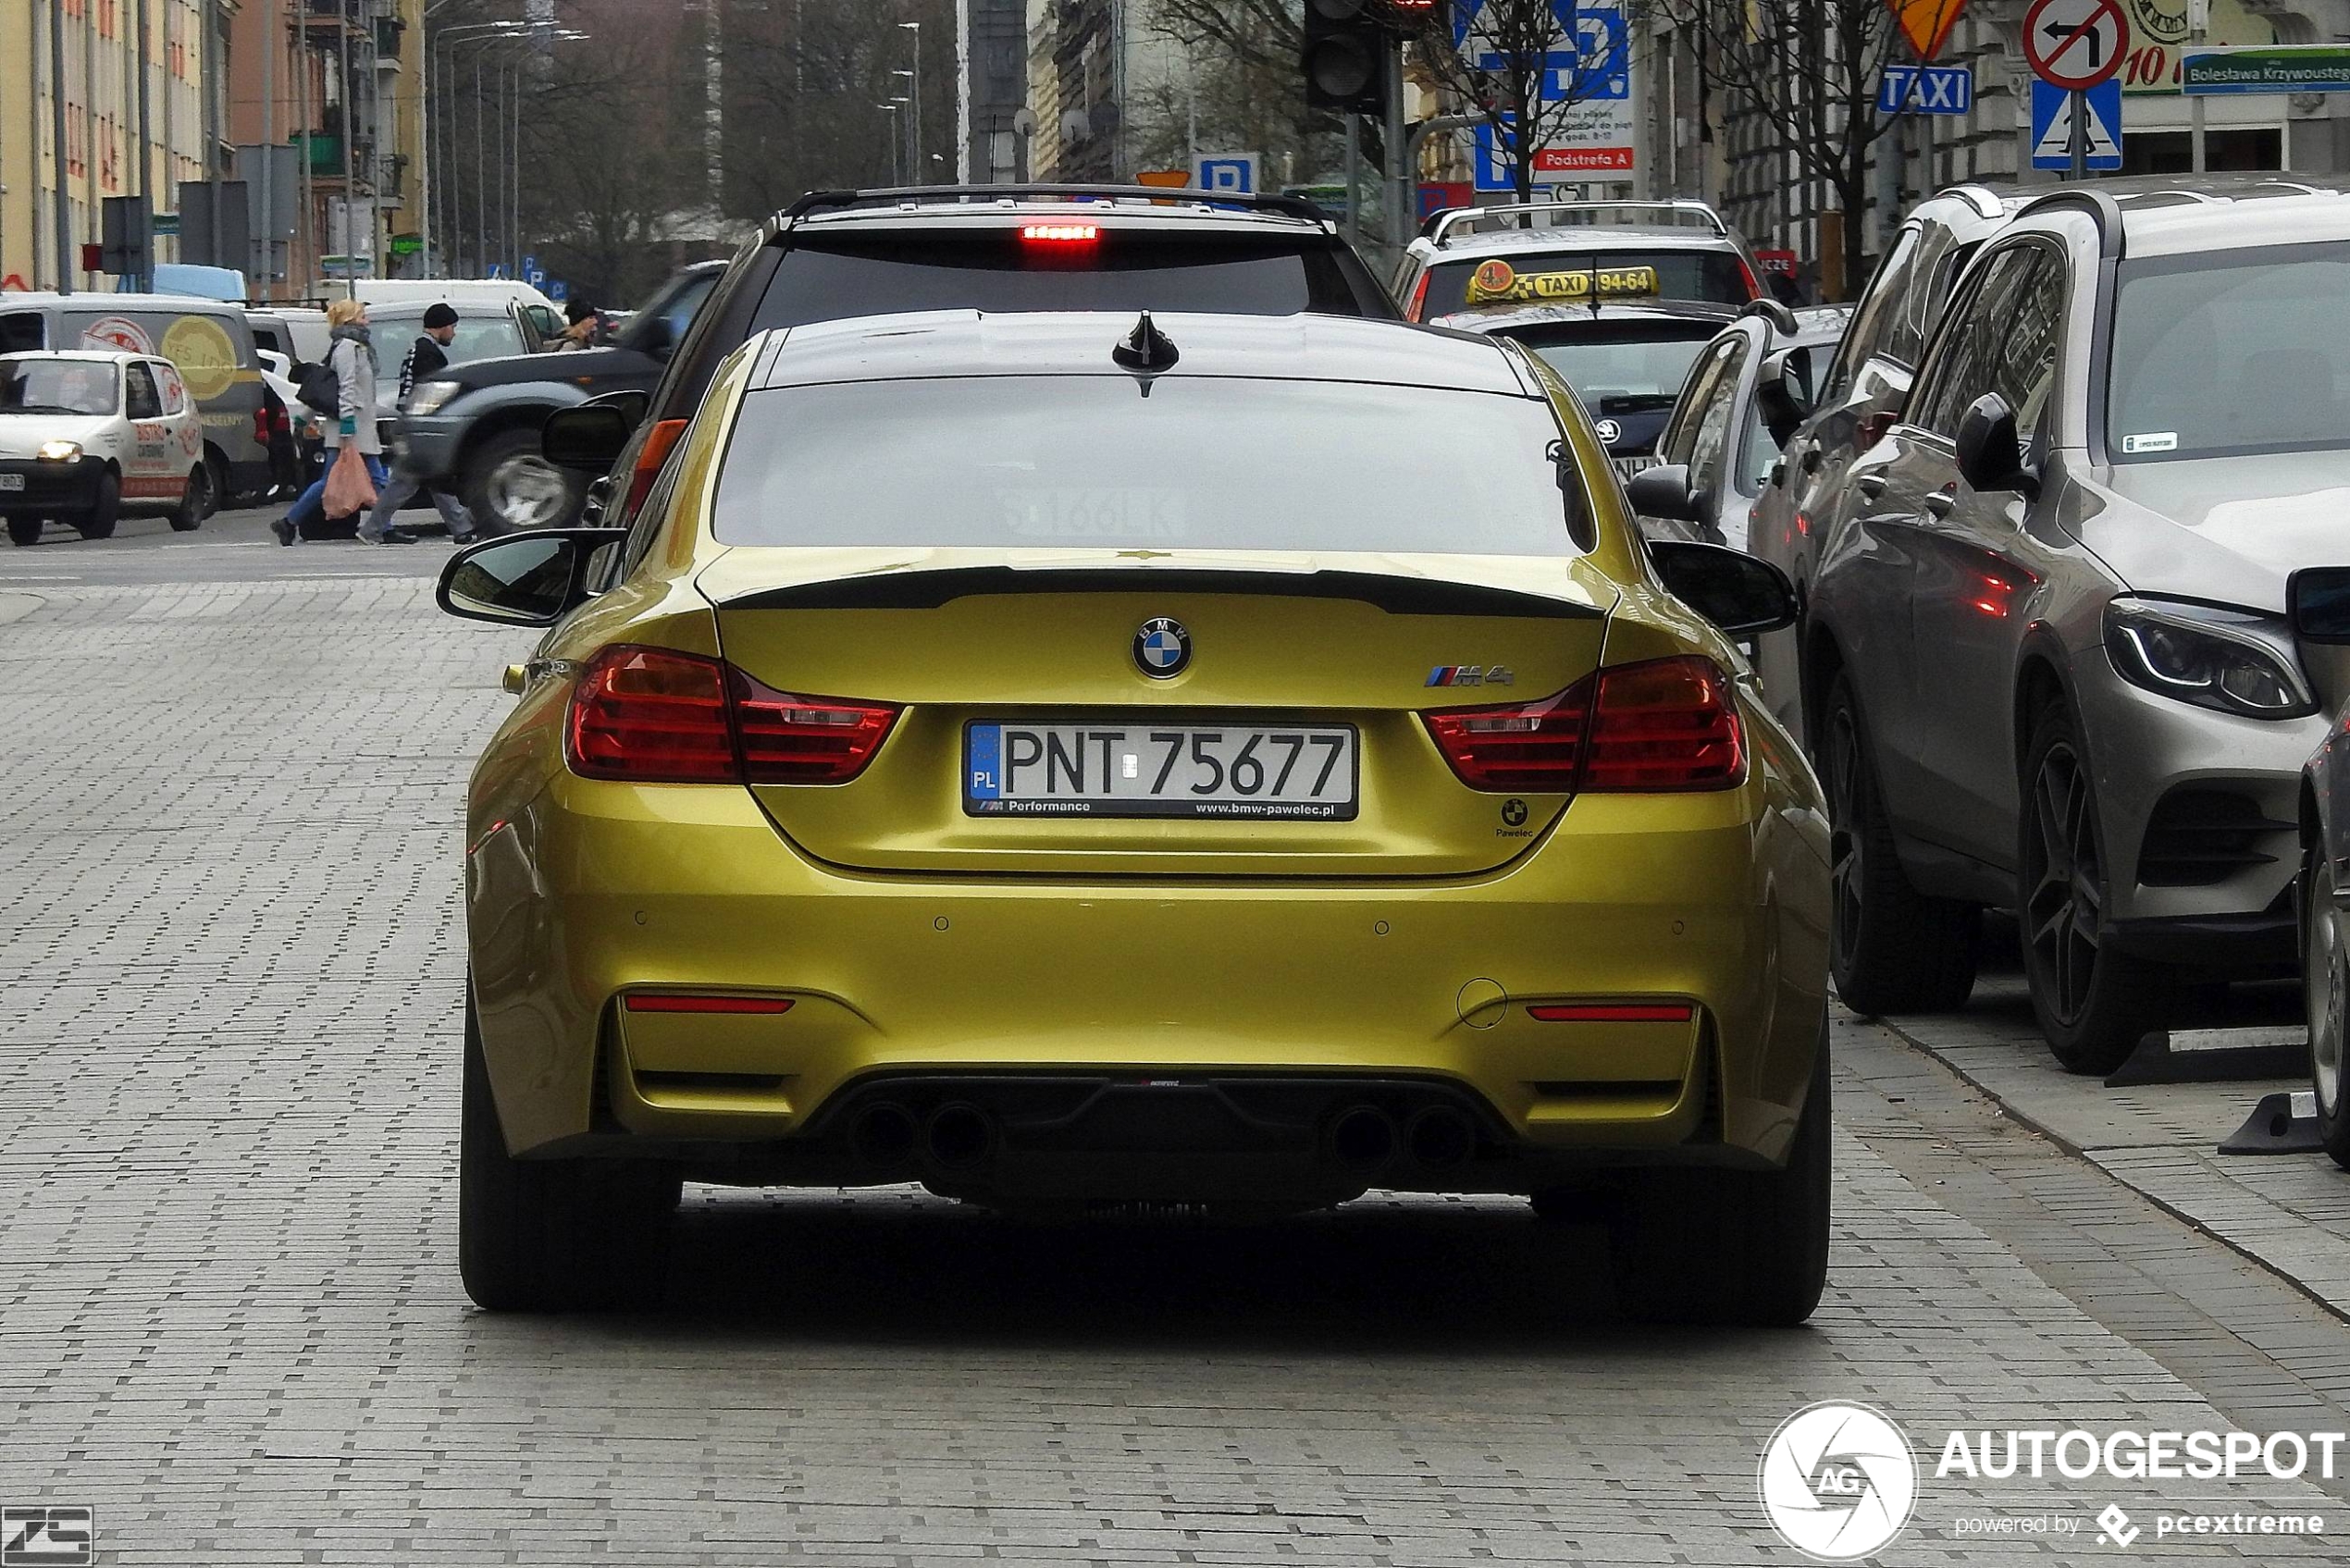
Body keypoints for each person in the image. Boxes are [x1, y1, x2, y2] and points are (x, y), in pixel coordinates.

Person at [272, 300, 408, 545]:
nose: (367, 320)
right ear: (350, 320)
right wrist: (347, 423)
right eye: (362, 315)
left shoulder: (355, 346)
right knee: (336, 481)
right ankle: (289, 522)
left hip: (359, 426)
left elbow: (329, 389)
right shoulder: (348, 348)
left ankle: (383, 527)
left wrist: (306, 416)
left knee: (372, 479)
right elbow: (344, 388)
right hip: (351, 427)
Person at [359, 303, 480, 545]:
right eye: (453, 327)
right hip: (419, 423)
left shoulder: (421, 348)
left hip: (411, 421)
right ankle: (372, 528)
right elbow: (431, 392)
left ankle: (462, 528)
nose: (454, 333)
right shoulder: (428, 353)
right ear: (443, 326)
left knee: (433, 476)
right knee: (406, 482)